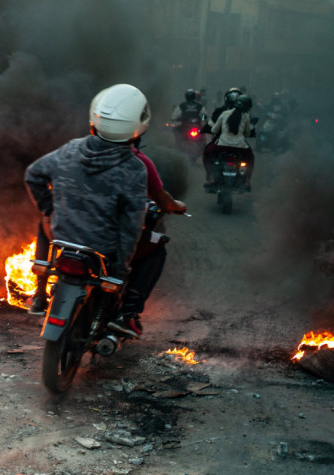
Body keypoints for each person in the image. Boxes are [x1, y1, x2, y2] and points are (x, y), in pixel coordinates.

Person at [25, 83, 183, 338]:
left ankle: (40, 293)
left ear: (94, 120)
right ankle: (127, 314)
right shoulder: (135, 168)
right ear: (138, 128)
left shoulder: (70, 149)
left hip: (62, 236)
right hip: (104, 247)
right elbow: (132, 224)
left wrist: (50, 208)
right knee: (157, 248)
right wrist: (120, 269)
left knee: (46, 218)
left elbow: (33, 175)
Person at [204, 94, 255, 191]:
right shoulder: (246, 116)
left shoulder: (225, 113)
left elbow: (214, 130)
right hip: (240, 147)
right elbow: (247, 133)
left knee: (207, 152)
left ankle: (211, 177)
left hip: (222, 145)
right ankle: (247, 181)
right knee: (250, 158)